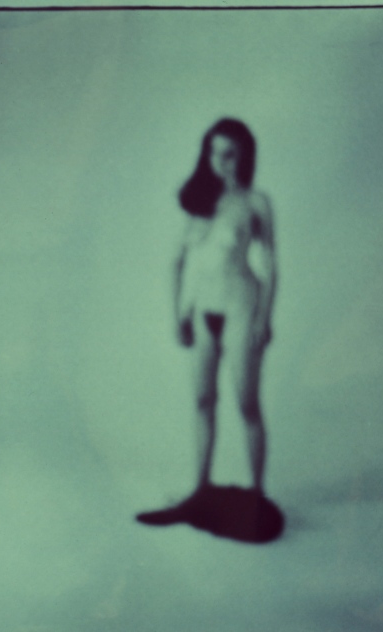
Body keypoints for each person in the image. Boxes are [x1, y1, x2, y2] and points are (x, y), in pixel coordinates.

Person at [139, 118, 276, 525]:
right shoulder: (199, 201)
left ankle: (256, 498)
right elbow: (178, 261)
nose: (221, 162)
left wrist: (263, 319)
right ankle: (200, 490)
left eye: (229, 154)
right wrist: (178, 313)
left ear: (244, 156)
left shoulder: (256, 203)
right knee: (202, 401)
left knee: (247, 404)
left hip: (240, 308)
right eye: (214, 153)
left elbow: (270, 267)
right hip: (202, 311)